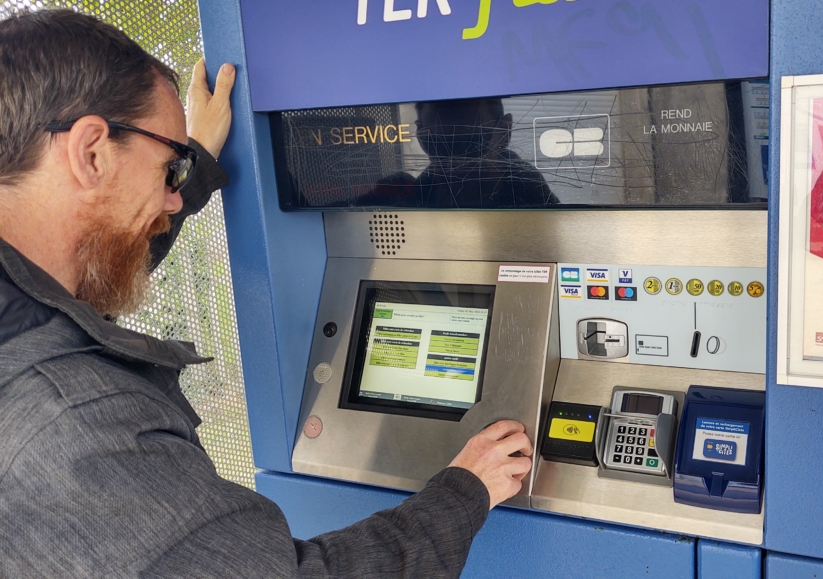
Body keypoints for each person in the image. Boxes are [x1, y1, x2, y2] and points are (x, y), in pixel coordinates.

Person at [0, 9, 532, 578]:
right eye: (168, 170)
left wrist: (194, 160)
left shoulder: (25, 306)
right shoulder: (72, 422)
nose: (174, 199)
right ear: (92, 154)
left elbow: (94, 264)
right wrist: (465, 489)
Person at [359, 98, 558, 208]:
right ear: (420, 135)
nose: (456, 161)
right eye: (437, 145)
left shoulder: (532, 192)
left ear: (504, 131)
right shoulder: (412, 194)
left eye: (471, 144)